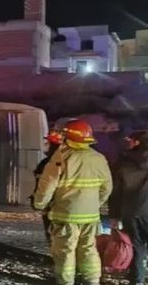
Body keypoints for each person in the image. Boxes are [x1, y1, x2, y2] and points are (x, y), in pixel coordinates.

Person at [33, 119, 112, 285]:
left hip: (66, 215)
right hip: (90, 216)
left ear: (67, 138)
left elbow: (47, 185)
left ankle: (66, 281)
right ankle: (92, 281)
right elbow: (107, 188)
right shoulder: (99, 158)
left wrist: (39, 204)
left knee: (65, 251)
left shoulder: (61, 158)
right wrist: (95, 204)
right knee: (89, 249)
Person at [110, 130, 148, 285]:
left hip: (131, 211)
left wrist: (114, 215)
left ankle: (137, 280)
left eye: (130, 140)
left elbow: (116, 191)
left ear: (137, 142)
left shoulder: (123, 162)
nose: (128, 143)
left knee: (136, 246)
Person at [33, 129, 63, 243]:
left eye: (48, 143)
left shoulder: (47, 163)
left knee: (53, 237)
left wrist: (38, 204)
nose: (46, 145)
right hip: (67, 207)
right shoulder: (70, 161)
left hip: (52, 208)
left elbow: (43, 187)